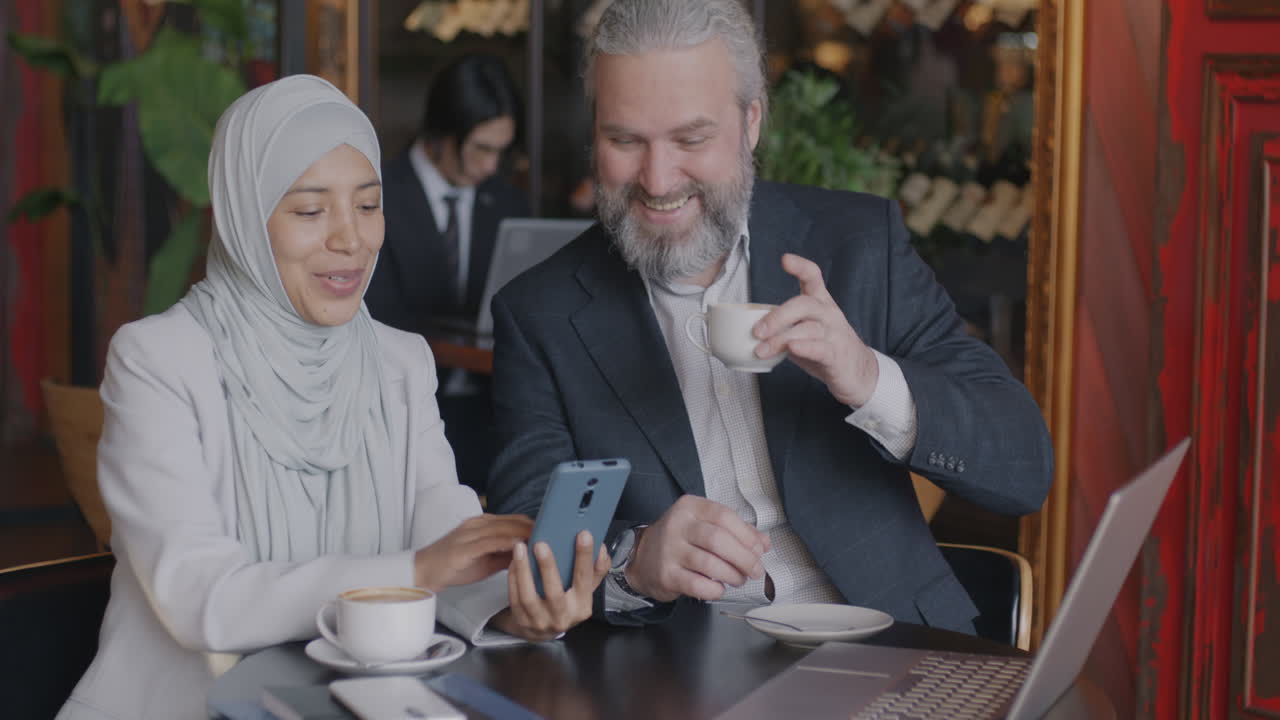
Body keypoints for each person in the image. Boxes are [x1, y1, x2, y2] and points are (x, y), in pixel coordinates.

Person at [486, 0, 1052, 632]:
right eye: (624, 140)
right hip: (678, 681)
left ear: (750, 123)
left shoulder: (859, 246)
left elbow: (1023, 469)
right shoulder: (540, 311)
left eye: (691, 138)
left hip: (891, 651)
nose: (657, 177)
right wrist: (634, 560)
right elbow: (527, 545)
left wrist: (869, 379)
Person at [57, 75, 605, 720]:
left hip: (366, 704)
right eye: (311, 211)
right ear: (242, 217)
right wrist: (418, 568)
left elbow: (446, 534)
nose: (351, 238)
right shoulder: (159, 360)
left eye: (368, 205)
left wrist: (517, 603)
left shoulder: (400, 362)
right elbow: (198, 597)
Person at [364, 53, 528, 494]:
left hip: (492, 415)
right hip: (401, 416)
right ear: (440, 134)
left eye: (501, 150)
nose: (492, 166)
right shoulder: (375, 197)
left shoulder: (507, 203)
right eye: (481, 149)